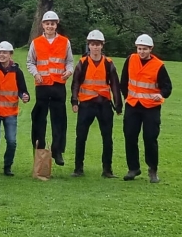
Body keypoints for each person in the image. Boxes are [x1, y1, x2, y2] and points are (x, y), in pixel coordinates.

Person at [120, 34, 172, 183]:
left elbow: (167, 87)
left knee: (150, 138)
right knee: (130, 136)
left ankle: (153, 169)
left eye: (144, 49)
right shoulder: (131, 60)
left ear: (151, 49)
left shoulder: (159, 66)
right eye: (139, 48)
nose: (141, 52)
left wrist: (160, 95)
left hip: (151, 108)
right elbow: (123, 81)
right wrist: (126, 97)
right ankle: (133, 168)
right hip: (133, 105)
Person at [70, 30, 123, 178]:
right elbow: (75, 83)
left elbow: (115, 85)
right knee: (81, 136)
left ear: (102, 45)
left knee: (107, 137)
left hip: (104, 104)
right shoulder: (82, 63)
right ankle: (78, 168)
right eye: (93, 44)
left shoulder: (108, 63)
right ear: (89, 46)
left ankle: (107, 170)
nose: (95, 47)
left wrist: (118, 105)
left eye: (98, 44)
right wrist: (74, 101)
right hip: (86, 104)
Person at [27, 10, 74, 167]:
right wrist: (36, 74)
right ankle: (39, 147)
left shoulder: (65, 42)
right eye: (47, 23)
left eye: (52, 24)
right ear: (43, 25)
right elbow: (30, 62)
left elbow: (69, 61)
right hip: (42, 85)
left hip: (58, 85)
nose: (50, 26)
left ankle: (58, 150)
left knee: (59, 119)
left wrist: (69, 71)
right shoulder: (36, 43)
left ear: (56, 24)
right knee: (39, 118)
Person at [0, 41, 30, 176]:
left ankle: (7, 166)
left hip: (10, 112)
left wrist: (25, 96)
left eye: (5, 52)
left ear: (11, 54)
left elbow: (23, 90)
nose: (2, 55)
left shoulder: (17, 71)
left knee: (11, 141)